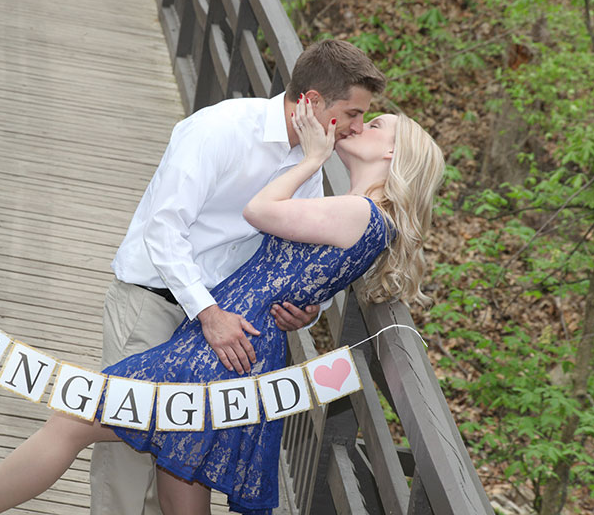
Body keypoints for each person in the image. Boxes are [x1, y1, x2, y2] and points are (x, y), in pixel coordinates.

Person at [0, 98, 445, 515]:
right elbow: (303, 277)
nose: (358, 126)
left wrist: (310, 158)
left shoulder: (358, 213)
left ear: (392, 152)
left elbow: (259, 209)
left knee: (73, 420)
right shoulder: (364, 215)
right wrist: (309, 308)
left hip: (219, 353)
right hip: (235, 348)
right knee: (181, 480)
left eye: (374, 125)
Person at [92, 39, 385, 515]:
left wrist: (306, 313)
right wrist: (207, 312)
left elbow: (291, 260)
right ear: (312, 102)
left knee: (177, 453)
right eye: (353, 112)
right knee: (128, 449)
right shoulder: (220, 129)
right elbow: (163, 230)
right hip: (156, 299)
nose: (356, 126)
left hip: (218, 325)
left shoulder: (309, 163)